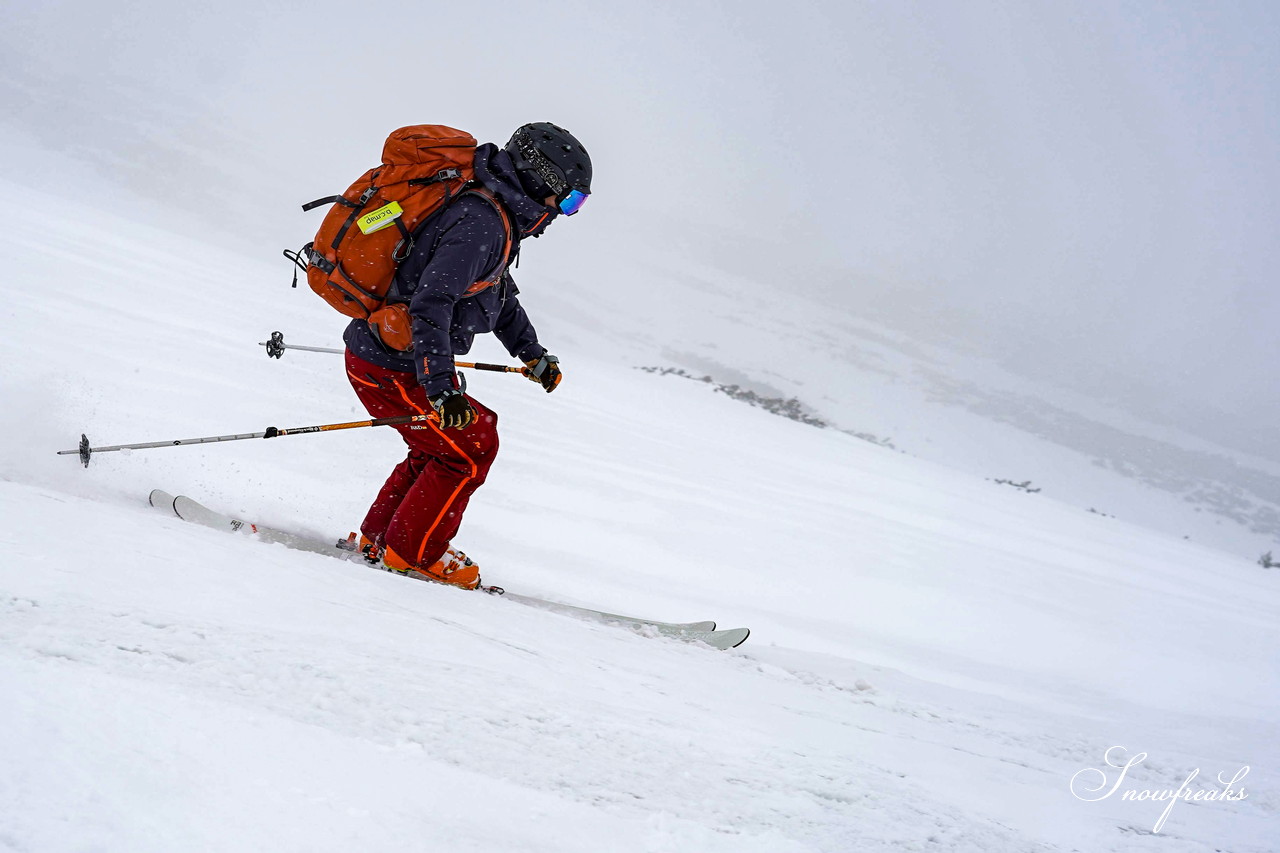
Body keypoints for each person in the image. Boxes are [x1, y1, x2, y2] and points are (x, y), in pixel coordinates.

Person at [342, 122, 591, 589]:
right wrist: (441, 391)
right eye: (572, 200)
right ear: (543, 180)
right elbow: (431, 305)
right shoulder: (482, 223)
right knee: (471, 449)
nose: (567, 212)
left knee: (441, 445)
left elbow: (498, 296)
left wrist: (531, 353)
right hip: (394, 365)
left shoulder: (495, 216)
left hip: (391, 357)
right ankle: (413, 552)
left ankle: (384, 539)